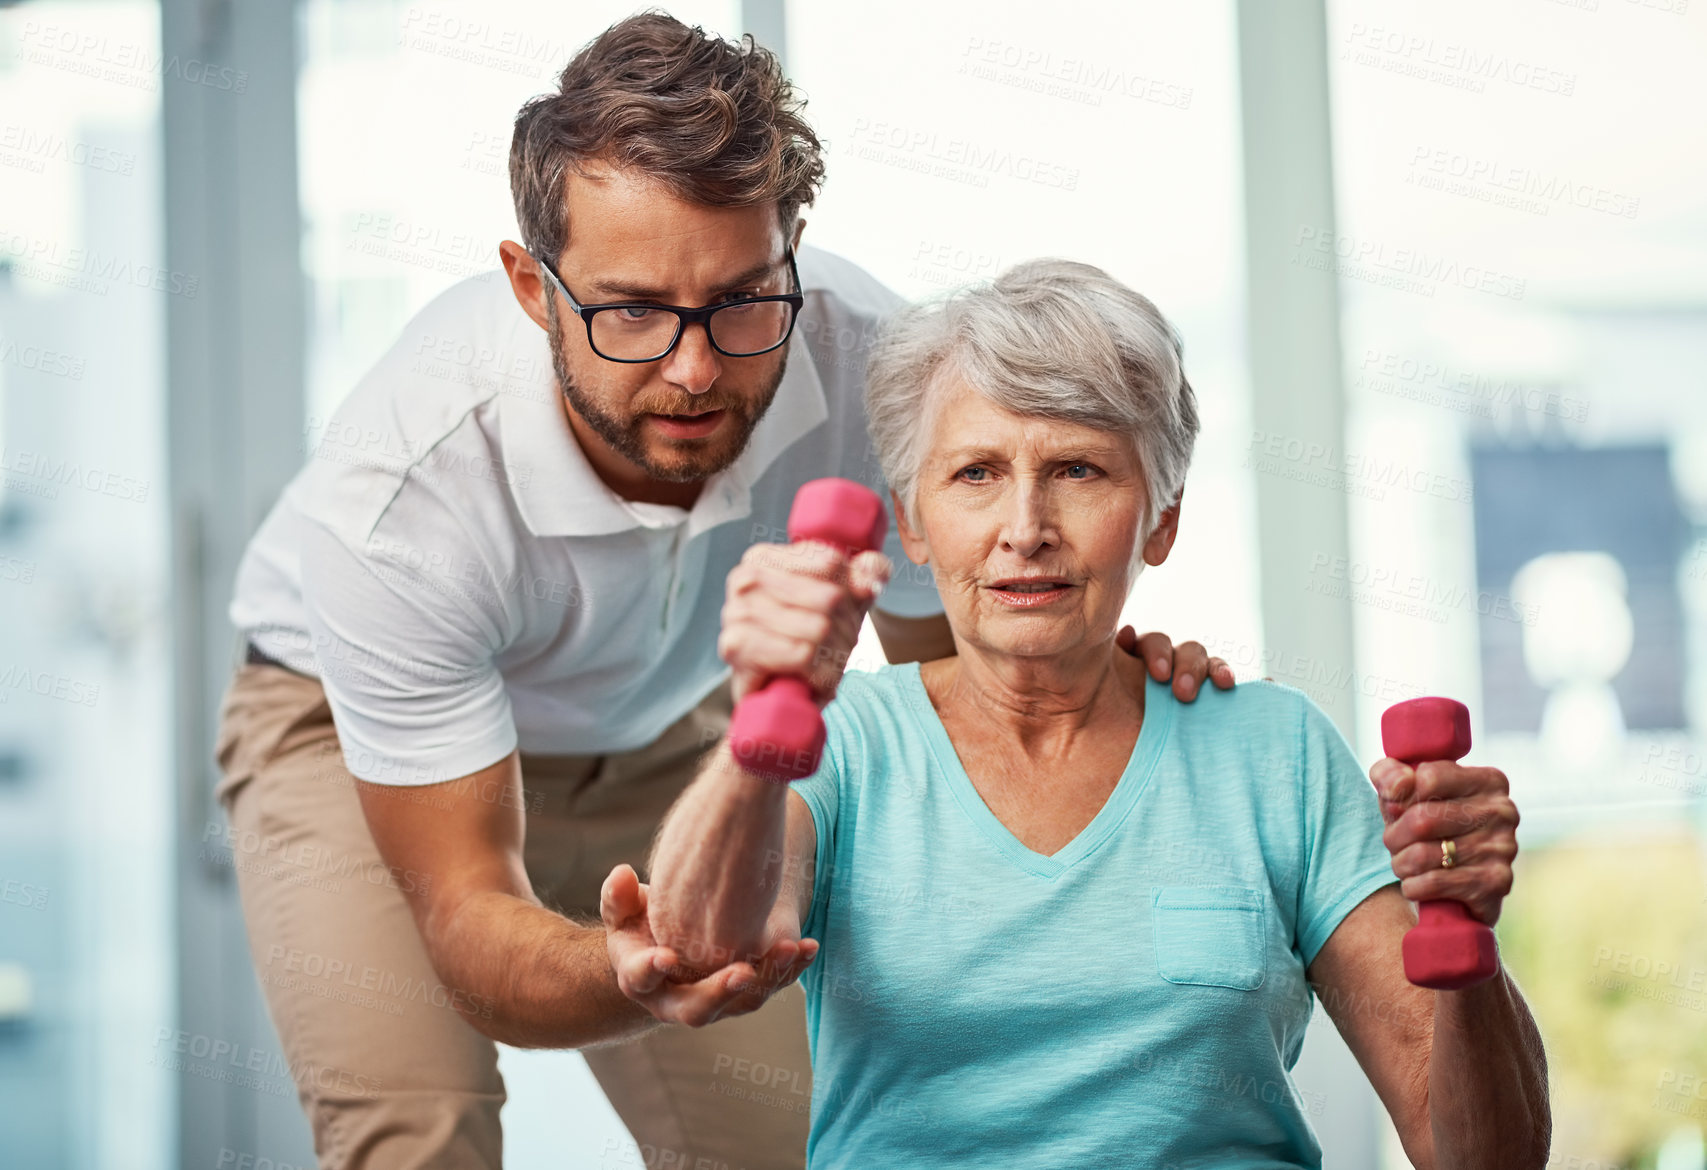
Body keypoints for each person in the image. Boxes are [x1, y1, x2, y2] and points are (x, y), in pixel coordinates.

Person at [214, 13, 1228, 1168]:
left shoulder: (867, 362)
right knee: (420, 1133)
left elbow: (960, 694)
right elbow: (468, 928)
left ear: (792, 246)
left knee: (798, 1138)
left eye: (745, 299)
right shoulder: (406, 496)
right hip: (345, 731)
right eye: (632, 310)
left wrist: (1118, 702)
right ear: (532, 289)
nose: (695, 369)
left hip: (666, 723)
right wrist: (632, 968)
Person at [612, 259, 1551, 1168]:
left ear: (1162, 517)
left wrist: (1466, 939)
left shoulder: (1277, 751)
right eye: (975, 473)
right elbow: (699, 952)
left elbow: (1484, 1158)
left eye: (1078, 470)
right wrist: (761, 729)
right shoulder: (845, 744)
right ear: (911, 525)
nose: (1026, 527)